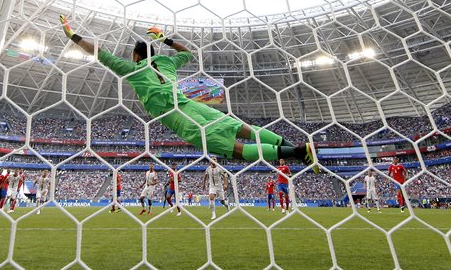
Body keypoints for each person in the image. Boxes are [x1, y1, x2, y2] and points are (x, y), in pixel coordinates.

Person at [59, 15, 317, 169]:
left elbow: (99, 53)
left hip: (177, 115)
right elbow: (188, 53)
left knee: (232, 148)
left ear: (136, 55)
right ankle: (301, 152)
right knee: (240, 128)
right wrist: (165, 39)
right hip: (193, 105)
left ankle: (296, 152)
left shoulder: (132, 68)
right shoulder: (166, 62)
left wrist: (72, 35)